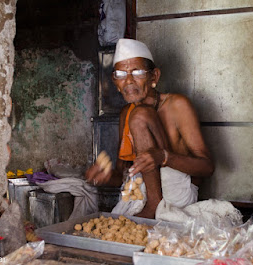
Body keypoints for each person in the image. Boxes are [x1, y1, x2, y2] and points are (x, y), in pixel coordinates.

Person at [85, 38, 214, 219]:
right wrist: (105, 177)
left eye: (137, 72)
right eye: (121, 74)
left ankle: (155, 205)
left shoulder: (177, 105)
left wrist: (163, 157)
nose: (128, 81)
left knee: (140, 115)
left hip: (176, 195)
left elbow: (207, 167)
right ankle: (150, 206)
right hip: (137, 195)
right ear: (115, 82)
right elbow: (125, 174)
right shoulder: (126, 113)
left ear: (154, 76)